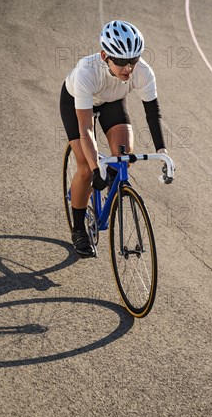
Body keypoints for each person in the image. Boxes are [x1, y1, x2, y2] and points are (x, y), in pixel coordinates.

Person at [60, 20, 168, 257]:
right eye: (120, 61)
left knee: (124, 157)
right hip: (76, 102)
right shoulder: (86, 73)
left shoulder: (143, 72)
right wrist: (95, 167)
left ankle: (108, 180)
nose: (128, 68)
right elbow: (86, 128)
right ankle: (79, 228)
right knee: (86, 170)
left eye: (133, 60)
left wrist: (163, 151)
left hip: (112, 102)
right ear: (104, 55)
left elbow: (153, 113)